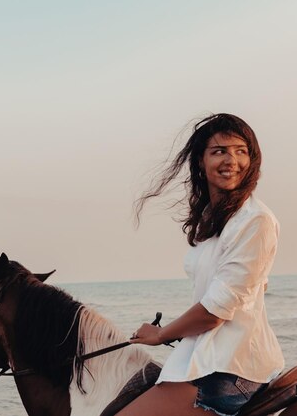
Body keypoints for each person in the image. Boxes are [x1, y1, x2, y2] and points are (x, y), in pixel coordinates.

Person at [119, 114, 285, 416]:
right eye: (219, 151)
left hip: (234, 367)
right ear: (200, 161)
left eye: (240, 150)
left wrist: (161, 334)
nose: (230, 160)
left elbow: (215, 311)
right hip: (205, 356)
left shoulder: (255, 221)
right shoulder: (211, 220)